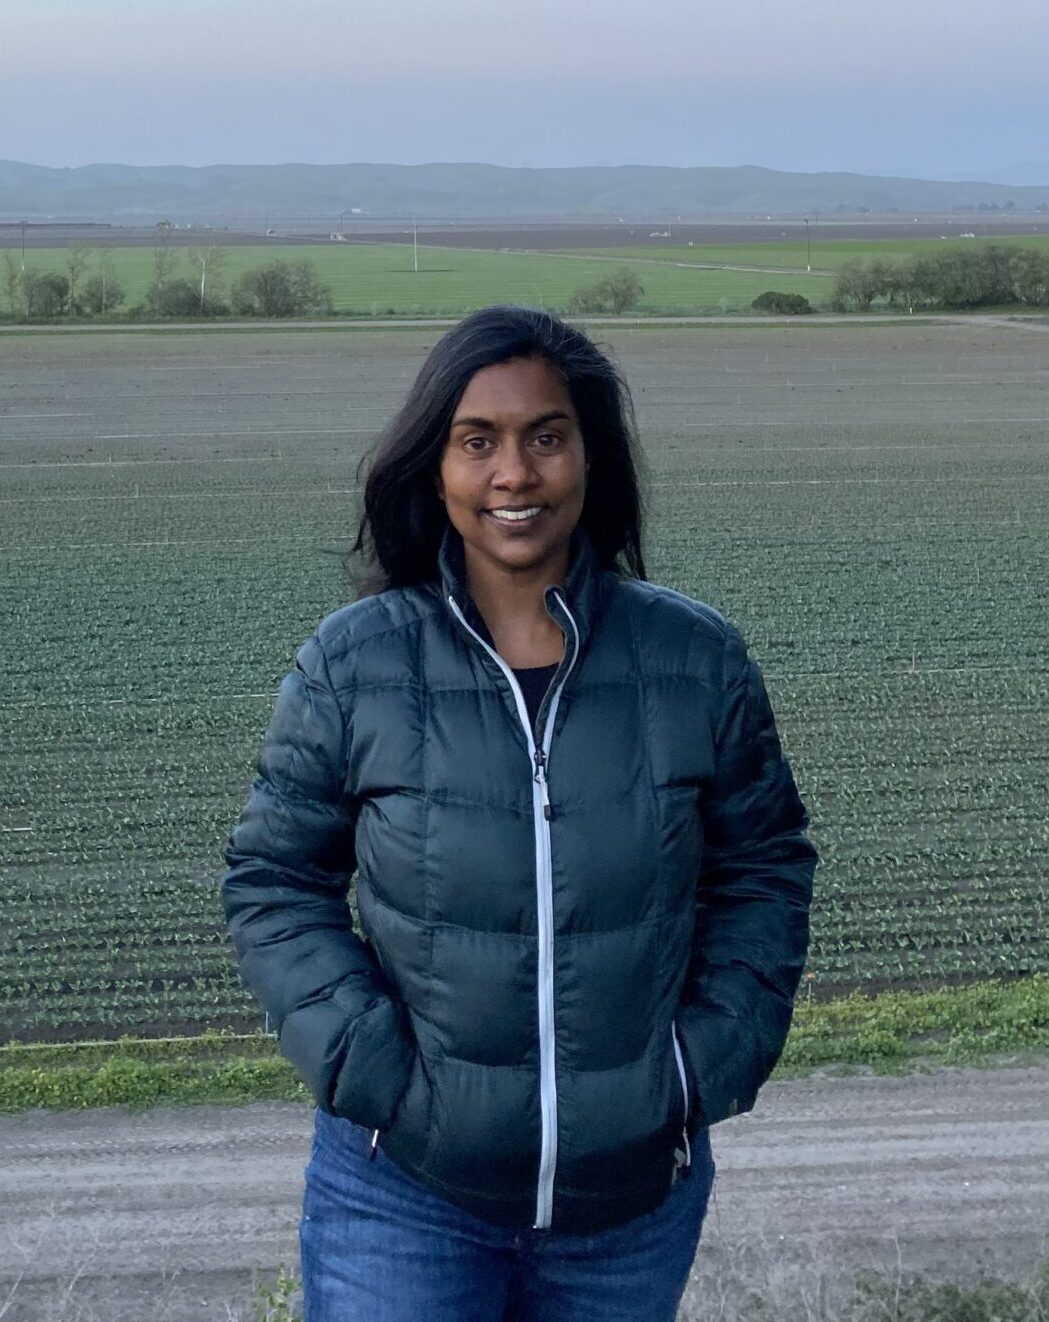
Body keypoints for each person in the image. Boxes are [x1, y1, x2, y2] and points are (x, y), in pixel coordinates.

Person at [220, 306, 818, 1321]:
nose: (514, 472)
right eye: (477, 440)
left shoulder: (692, 660)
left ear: (588, 455)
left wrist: (697, 1063)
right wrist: (375, 1070)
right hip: (401, 1191)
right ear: (436, 464)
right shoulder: (354, 663)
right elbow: (273, 878)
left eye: (545, 434)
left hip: (628, 1204)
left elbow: (762, 866)